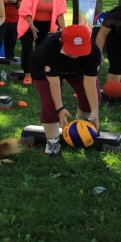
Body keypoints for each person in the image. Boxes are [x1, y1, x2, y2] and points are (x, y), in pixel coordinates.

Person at [31, 25, 101, 156]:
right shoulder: (49, 47)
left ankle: (81, 124)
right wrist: (60, 109)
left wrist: (95, 112)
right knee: (50, 104)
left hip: (77, 70)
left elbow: (90, 83)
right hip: (43, 69)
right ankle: (52, 142)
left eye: (80, 50)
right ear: (61, 42)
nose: (75, 54)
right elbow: (54, 82)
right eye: (72, 49)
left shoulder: (94, 51)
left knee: (90, 98)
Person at [18, 0, 67, 84]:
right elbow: (26, 10)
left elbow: (60, 13)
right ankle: (27, 73)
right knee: (27, 48)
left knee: (44, 49)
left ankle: (42, 72)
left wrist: (64, 30)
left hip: (48, 25)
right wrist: (32, 26)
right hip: (29, 23)